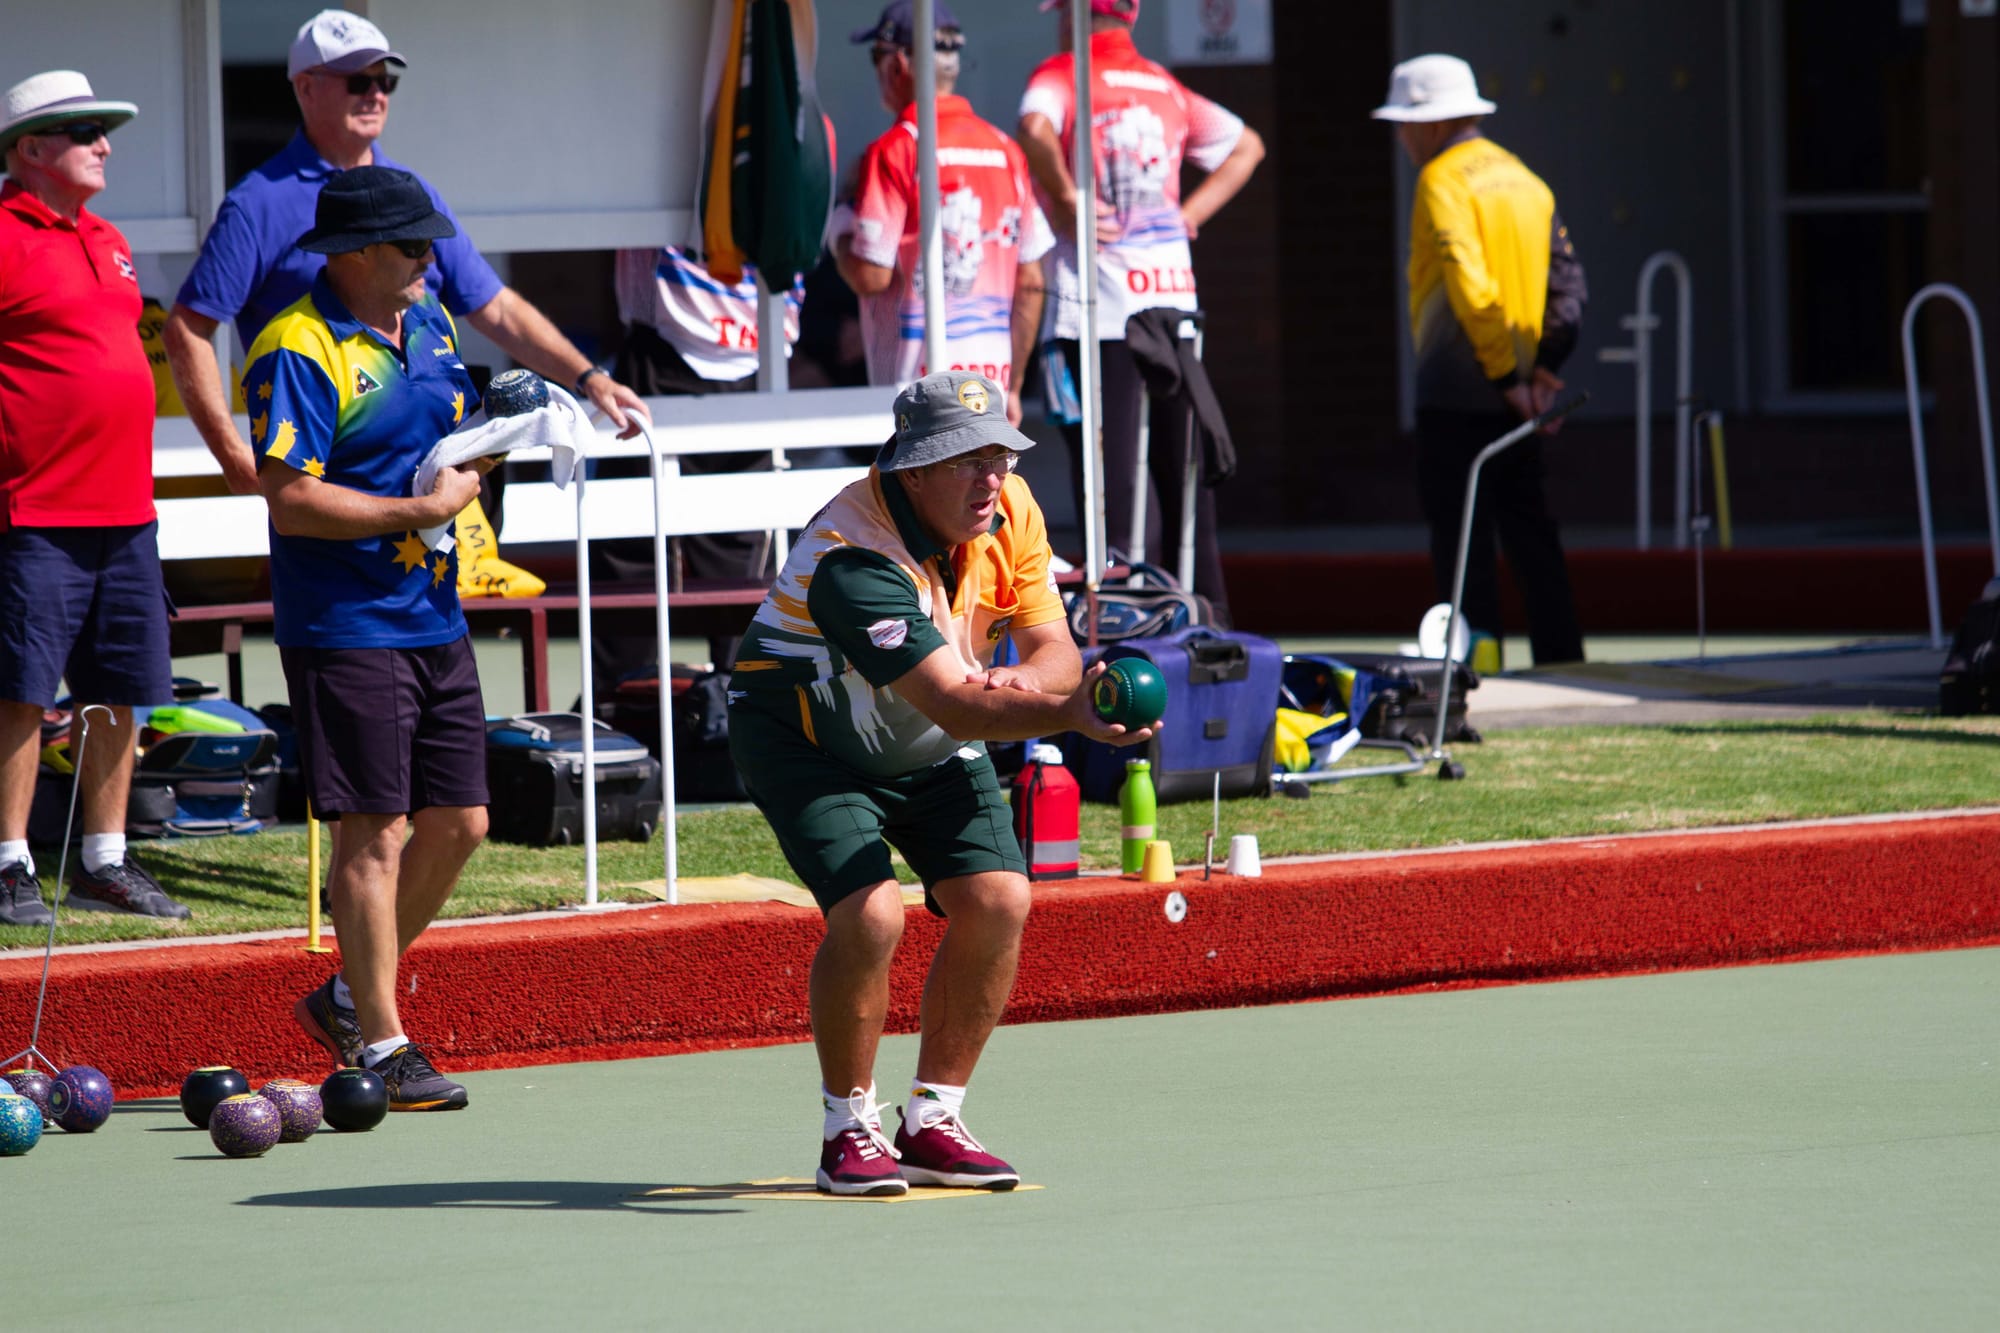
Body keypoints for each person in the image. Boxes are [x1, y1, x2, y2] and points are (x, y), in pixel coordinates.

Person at [728, 369, 1158, 1195]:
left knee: (1001, 898)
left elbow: (1053, 649)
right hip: (807, 735)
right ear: (915, 468)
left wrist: (1035, 686)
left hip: (926, 727)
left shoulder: (1011, 509)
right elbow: (956, 707)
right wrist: (1067, 711)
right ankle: (847, 1127)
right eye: (967, 460)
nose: (990, 477)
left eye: (999, 455)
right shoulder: (852, 559)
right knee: (872, 912)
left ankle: (931, 1120)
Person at [163, 8, 648, 507]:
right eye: (357, 80)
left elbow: (495, 308)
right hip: (332, 477)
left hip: (442, 466)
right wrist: (228, 450)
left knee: (446, 587)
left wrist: (588, 378)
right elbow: (188, 329)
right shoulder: (258, 202)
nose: (375, 93)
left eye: (384, 79)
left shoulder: (411, 193)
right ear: (306, 89)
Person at [245, 166, 493, 1110]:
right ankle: (385, 1043)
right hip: (345, 624)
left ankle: (347, 998)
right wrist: (417, 507)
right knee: (375, 829)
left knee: (463, 820)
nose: (433, 259)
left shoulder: (430, 323)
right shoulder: (297, 346)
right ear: (353, 255)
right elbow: (292, 497)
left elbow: (450, 438)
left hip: (436, 611)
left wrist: (507, 437)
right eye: (413, 245)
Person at [0, 70, 190, 926]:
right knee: (21, 691)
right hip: (32, 510)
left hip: (126, 510)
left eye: (105, 131)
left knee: (121, 687)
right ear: (31, 149)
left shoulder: (108, 238)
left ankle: (104, 861)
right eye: (85, 132)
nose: (104, 145)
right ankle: (9, 864)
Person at [1017, 0, 1263, 619]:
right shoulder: (1164, 85)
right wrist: (1187, 218)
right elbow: (1248, 147)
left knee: (1115, 491)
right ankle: (1210, 627)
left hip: (1103, 314)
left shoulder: (1064, 73)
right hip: (1175, 306)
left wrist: (1068, 195)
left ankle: (1132, 631)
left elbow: (1034, 130)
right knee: (1185, 488)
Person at [1373, 54, 1587, 666]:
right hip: (1522, 391)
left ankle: (1477, 666)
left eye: (1403, 123)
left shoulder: (1441, 180)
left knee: (1461, 537)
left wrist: (1504, 377)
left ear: (1432, 124)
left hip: (1458, 392)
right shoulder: (1526, 178)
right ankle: (1563, 660)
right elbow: (1569, 287)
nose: (1400, 136)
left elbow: (1471, 288)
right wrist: (1540, 372)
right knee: (1533, 533)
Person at [831, 1, 1054, 425]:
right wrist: (1014, 387)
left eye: (875, 57)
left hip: (917, 400)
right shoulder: (1005, 150)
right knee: (988, 491)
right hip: (990, 391)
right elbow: (1031, 282)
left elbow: (869, 276)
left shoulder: (897, 149)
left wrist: (840, 225)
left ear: (897, 65)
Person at [598, 245, 806, 676]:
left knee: (740, 571)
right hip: (676, 345)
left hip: (756, 351)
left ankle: (742, 708)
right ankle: (617, 707)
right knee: (636, 551)